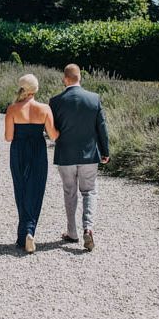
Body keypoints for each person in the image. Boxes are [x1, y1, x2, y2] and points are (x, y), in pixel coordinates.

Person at [49, 64, 110, 252]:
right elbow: (102, 127)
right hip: (89, 154)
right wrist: (105, 151)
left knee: (70, 192)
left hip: (65, 154)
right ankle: (88, 228)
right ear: (79, 78)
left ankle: (72, 232)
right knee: (89, 192)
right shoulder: (94, 99)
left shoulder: (55, 101)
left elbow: (52, 130)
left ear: (65, 78)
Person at [4, 74, 59, 253]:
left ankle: (24, 234)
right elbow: (53, 135)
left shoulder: (12, 109)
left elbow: (8, 137)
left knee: (21, 189)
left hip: (18, 150)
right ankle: (29, 231)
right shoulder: (44, 108)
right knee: (36, 191)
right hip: (37, 150)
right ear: (35, 89)